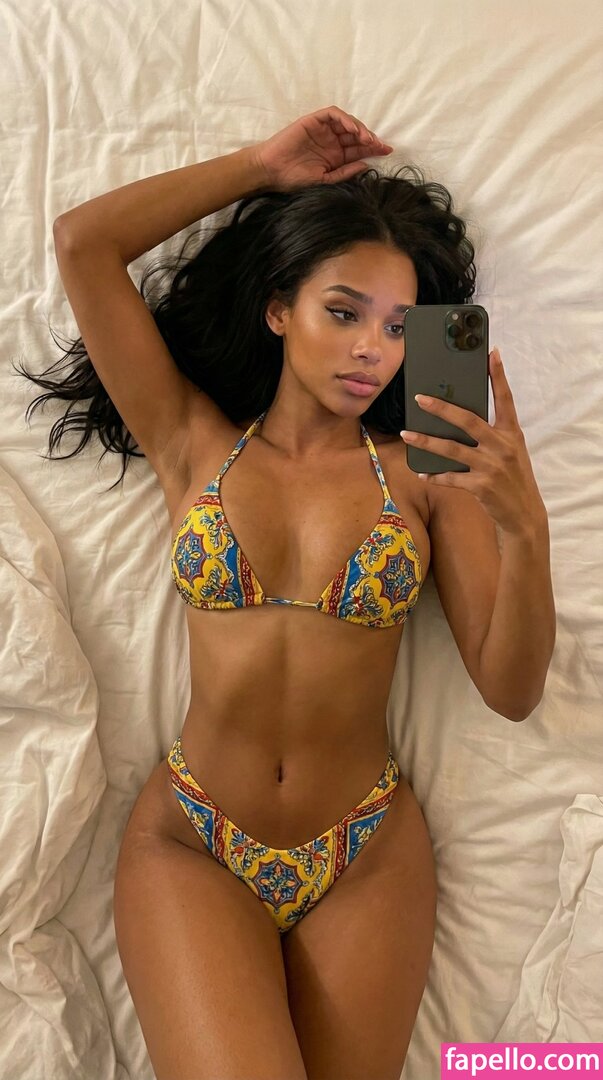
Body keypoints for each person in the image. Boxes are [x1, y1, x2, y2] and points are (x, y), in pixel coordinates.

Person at [19, 105, 556, 1080]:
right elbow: (83, 244)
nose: (371, 350)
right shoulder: (191, 442)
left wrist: (526, 530)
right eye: (342, 312)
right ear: (279, 309)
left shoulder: (427, 473)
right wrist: (260, 167)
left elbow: (512, 690)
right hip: (193, 841)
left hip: (367, 853)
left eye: (397, 327)